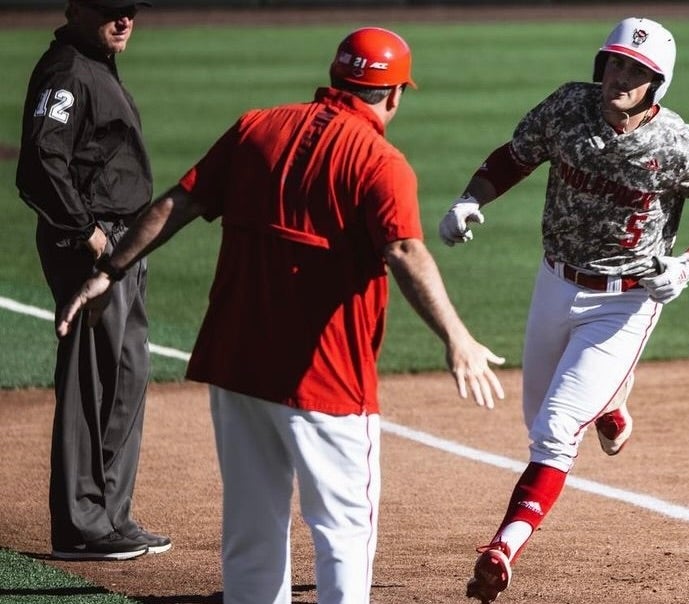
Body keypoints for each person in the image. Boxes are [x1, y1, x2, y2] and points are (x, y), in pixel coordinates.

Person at [56, 27, 506, 604]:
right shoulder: (380, 161)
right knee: (343, 531)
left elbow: (179, 201)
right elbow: (404, 251)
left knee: (251, 532)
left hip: (236, 368)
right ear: (393, 96)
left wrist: (109, 271)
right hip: (327, 382)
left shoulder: (255, 128)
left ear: (337, 76)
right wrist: (457, 337)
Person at [439, 16, 689, 603]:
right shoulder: (566, 109)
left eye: (636, 70)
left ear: (658, 83)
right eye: (614, 63)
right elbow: (515, 156)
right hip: (555, 281)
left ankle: (502, 548)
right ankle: (612, 402)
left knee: (554, 432)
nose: (620, 77)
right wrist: (471, 197)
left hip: (627, 301)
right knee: (537, 419)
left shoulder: (681, 145)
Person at [15, 0, 170, 561]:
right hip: (94, 245)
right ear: (76, 9)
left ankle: (110, 517)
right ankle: (82, 525)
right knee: (92, 379)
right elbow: (38, 161)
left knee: (127, 373)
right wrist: (89, 235)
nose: (124, 19)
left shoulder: (96, 63)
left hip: (123, 240)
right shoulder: (67, 71)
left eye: (130, 9)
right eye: (111, 9)